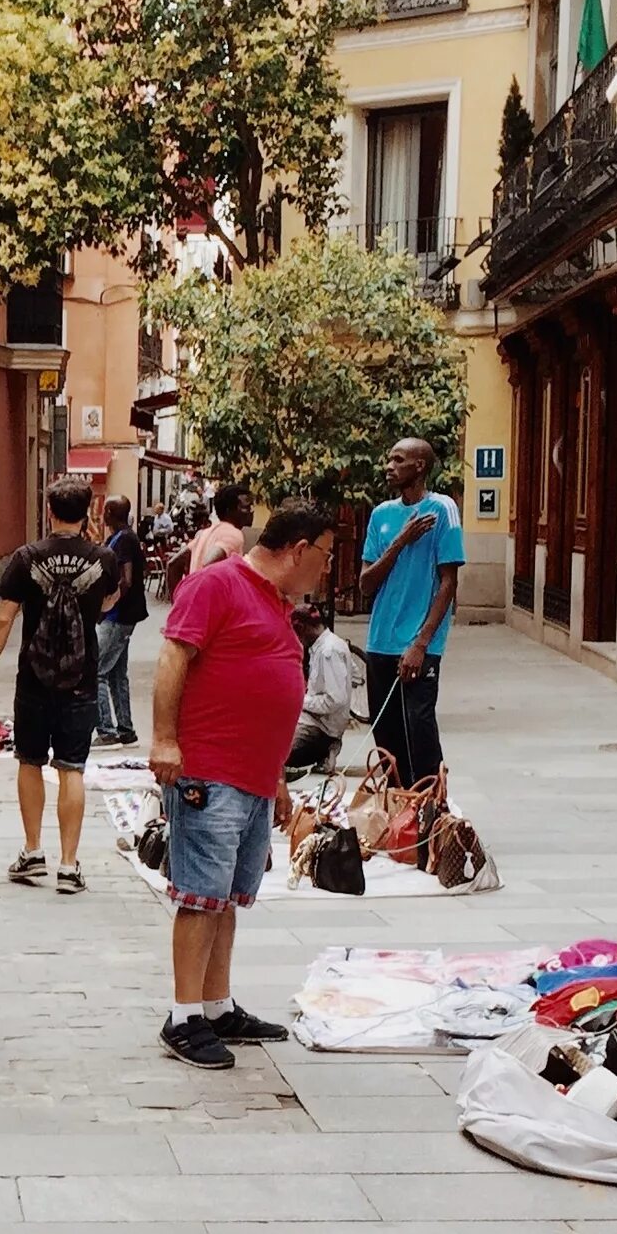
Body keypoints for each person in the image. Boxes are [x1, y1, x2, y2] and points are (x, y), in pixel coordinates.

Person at [151, 499, 338, 1066]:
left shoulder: (275, 602)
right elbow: (173, 656)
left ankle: (216, 1004)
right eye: (325, 557)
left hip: (253, 777)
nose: (326, 570)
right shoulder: (218, 585)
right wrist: (164, 739)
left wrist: (276, 778)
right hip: (211, 772)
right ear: (299, 550)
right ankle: (184, 1016)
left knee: (227, 896)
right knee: (200, 896)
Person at [0, 479, 114, 892]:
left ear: (49, 511)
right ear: (87, 512)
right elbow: (106, 604)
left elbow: (2, 620)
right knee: (72, 768)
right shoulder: (102, 559)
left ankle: (33, 852)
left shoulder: (26, 557)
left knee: (30, 760)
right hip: (81, 679)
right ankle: (69, 866)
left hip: (33, 678)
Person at [354, 439, 462, 789]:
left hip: (419, 644)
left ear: (419, 466)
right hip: (381, 641)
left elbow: (448, 583)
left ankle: (433, 808)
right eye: (388, 457)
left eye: (397, 460)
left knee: (420, 729)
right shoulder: (381, 515)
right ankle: (400, 806)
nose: (388, 465)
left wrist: (421, 642)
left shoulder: (442, 509)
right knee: (385, 734)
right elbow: (366, 584)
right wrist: (400, 540)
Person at [96, 495, 149, 744]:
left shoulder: (125, 539)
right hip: (123, 615)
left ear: (108, 512)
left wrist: (107, 606)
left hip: (118, 616)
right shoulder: (121, 537)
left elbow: (126, 579)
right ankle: (126, 728)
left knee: (96, 672)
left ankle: (106, 730)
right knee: (117, 672)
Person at [289, 610, 357, 774]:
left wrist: (301, 701)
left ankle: (325, 749)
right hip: (320, 721)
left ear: (303, 629)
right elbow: (355, 674)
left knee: (273, 753)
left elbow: (335, 700)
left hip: (322, 728)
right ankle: (325, 751)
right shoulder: (333, 643)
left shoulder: (328, 651)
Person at [184, 486, 252, 579]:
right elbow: (208, 563)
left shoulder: (205, 533)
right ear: (230, 510)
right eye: (246, 507)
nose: (251, 511)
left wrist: (180, 592)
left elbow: (173, 564)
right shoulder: (233, 534)